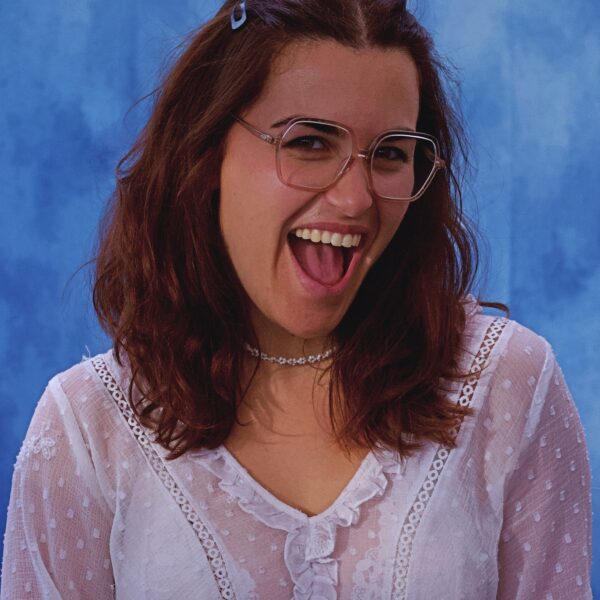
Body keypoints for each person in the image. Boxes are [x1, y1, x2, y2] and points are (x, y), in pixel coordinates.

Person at [1, 0, 592, 598]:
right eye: (309, 142)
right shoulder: (87, 431)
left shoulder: (504, 386)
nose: (356, 199)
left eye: (390, 152)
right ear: (206, 154)